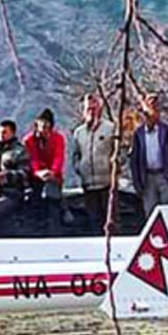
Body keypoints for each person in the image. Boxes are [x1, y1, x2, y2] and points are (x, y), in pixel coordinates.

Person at [131, 93, 168, 215]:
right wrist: (137, 182)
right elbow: (134, 160)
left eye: (155, 109)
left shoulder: (166, 130)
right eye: (149, 110)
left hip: (164, 176)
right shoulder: (138, 134)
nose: (151, 113)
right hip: (147, 178)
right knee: (150, 212)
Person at [71, 92, 117, 234]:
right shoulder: (79, 133)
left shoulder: (110, 128)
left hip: (107, 184)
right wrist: (80, 169)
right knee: (93, 221)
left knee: (111, 221)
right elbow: (75, 155)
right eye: (88, 108)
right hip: (88, 185)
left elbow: (119, 152)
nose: (91, 111)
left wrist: (113, 168)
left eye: (94, 107)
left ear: (99, 108)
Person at [22, 108, 66, 235]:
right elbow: (32, 158)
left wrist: (52, 172)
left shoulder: (58, 138)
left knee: (53, 201)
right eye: (41, 126)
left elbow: (59, 156)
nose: (44, 130)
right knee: (34, 202)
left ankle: (55, 232)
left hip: (53, 177)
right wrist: (38, 172)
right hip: (35, 178)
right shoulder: (29, 140)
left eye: (47, 126)